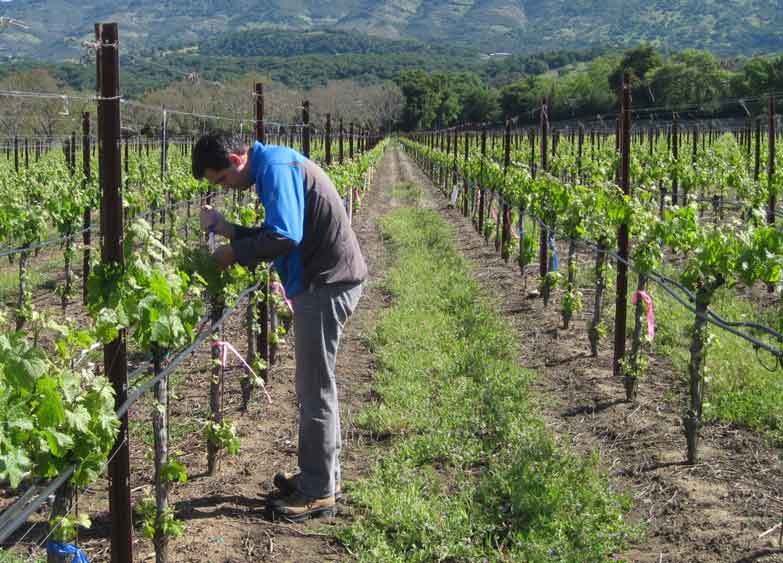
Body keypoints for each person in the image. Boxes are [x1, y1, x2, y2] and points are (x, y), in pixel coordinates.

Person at [191, 130, 366, 521]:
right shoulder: (276, 162)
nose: (228, 188)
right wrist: (229, 229)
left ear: (236, 160)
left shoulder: (274, 169)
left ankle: (318, 492)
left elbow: (285, 235)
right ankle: (321, 476)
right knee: (315, 386)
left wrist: (233, 253)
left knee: (314, 389)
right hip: (327, 279)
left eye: (222, 180)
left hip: (325, 284)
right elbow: (278, 232)